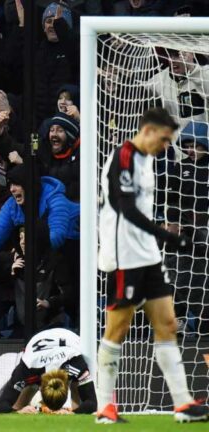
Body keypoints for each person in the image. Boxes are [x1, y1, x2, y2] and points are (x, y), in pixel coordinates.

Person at [96, 107, 209, 423]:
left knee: (168, 324)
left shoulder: (148, 160)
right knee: (117, 329)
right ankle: (105, 407)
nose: (166, 146)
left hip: (147, 255)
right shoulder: (123, 158)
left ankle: (183, 404)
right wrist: (170, 237)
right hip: (123, 257)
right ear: (148, 130)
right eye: (163, 139)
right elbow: (127, 210)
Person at [0, 328, 97, 414]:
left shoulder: (76, 364)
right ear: (40, 388)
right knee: (29, 387)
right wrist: (19, 411)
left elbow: (92, 403)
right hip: (38, 352)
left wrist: (73, 413)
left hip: (70, 343)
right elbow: (1, 406)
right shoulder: (27, 367)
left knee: (77, 385)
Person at [39, 112, 80, 201]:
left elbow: (64, 174)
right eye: (52, 130)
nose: (54, 134)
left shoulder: (81, 154)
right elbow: (17, 147)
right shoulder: (45, 149)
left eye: (60, 130)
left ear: (70, 136)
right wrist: (2, 133)